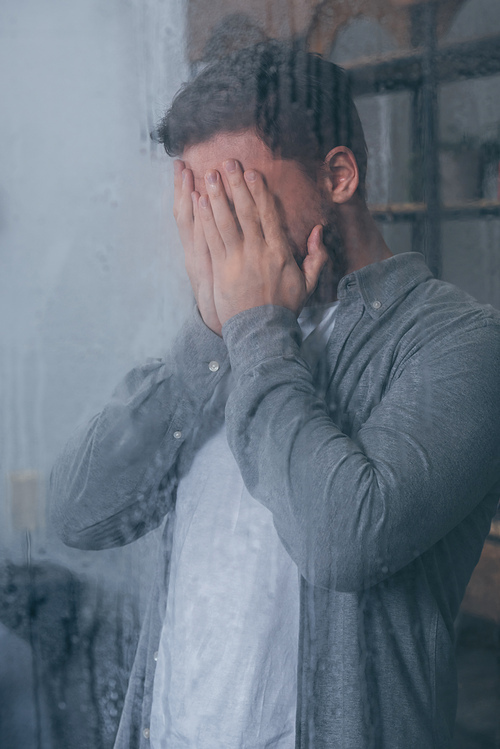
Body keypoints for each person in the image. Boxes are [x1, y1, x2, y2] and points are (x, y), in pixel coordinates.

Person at [50, 40, 500, 749]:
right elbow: (78, 512)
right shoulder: (221, 333)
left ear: (339, 176)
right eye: (198, 201)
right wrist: (211, 332)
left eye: (236, 194)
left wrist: (255, 327)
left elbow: (344, 542)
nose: (214, 230)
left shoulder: (462, 342)